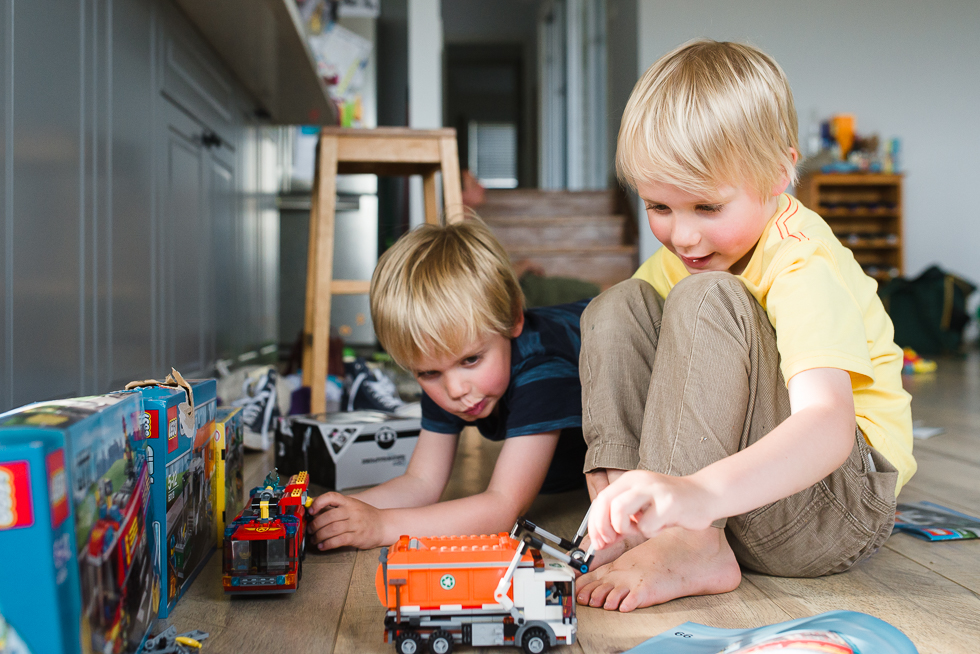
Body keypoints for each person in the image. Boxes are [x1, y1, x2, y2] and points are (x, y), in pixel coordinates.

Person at [577, 39, 915, 612]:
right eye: (659, 207)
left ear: (781, 172)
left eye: (707, 208)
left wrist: (698, 494)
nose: (683, 236)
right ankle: (625, 515)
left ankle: (688, 541)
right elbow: (628, 350)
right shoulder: (684, 258)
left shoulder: (802, 260)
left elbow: (829, 424)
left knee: (707, 297)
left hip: (832, 506)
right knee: (616, 306)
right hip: (733, 506)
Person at [306, 218, 588, 550]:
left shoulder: (542, 368)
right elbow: (421, 482)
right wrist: (342, 512)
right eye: (428, 374)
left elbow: (503, 508)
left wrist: (381, 526)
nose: (455, 390)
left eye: (471, 360)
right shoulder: (444, 365)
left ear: (513, 319)